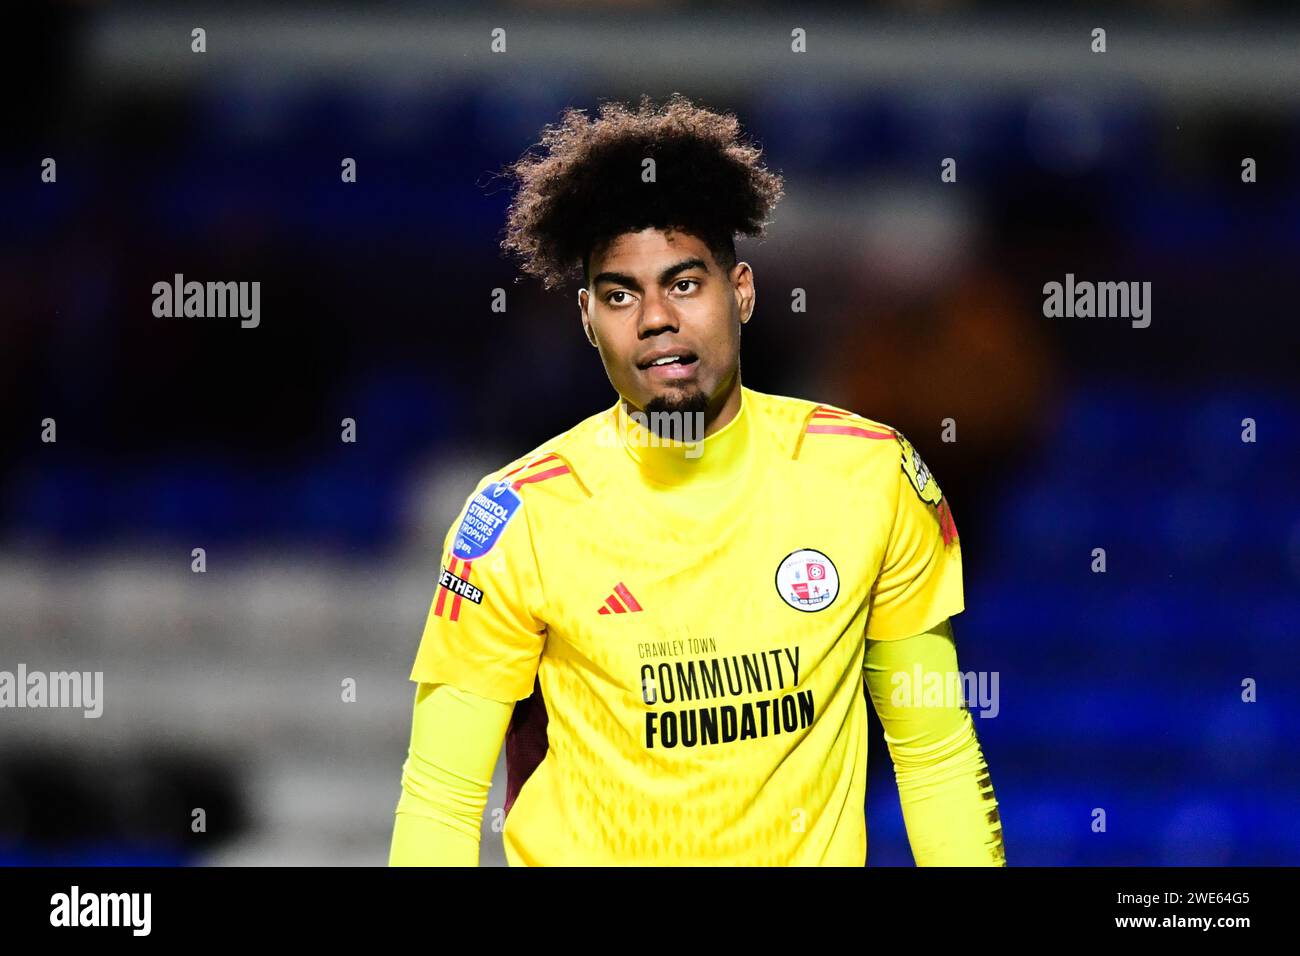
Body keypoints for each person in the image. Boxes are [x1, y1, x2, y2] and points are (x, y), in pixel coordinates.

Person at [389, 94, 1005, 866]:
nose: (655, 318)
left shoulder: (869, 476)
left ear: (740, 291)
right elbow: (441, 800)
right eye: (620, 295)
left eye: (684, 284)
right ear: (587, 317)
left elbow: (934, 754)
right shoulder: (519, 517)